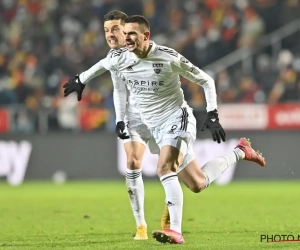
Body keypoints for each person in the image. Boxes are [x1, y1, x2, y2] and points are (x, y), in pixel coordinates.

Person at [63, 14, 266, 244]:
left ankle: (175, 231)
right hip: (155, 127)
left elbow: (206, 80)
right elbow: (101, 66)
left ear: (145, 36)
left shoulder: (167, 57)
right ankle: (241, 151)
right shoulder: (120, 57)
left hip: (176, 119)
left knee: (165, 168)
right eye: (125, 33)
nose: (126, 38)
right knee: (198, 183)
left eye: (131, 34)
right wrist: (81, 79)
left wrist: (213, 114)